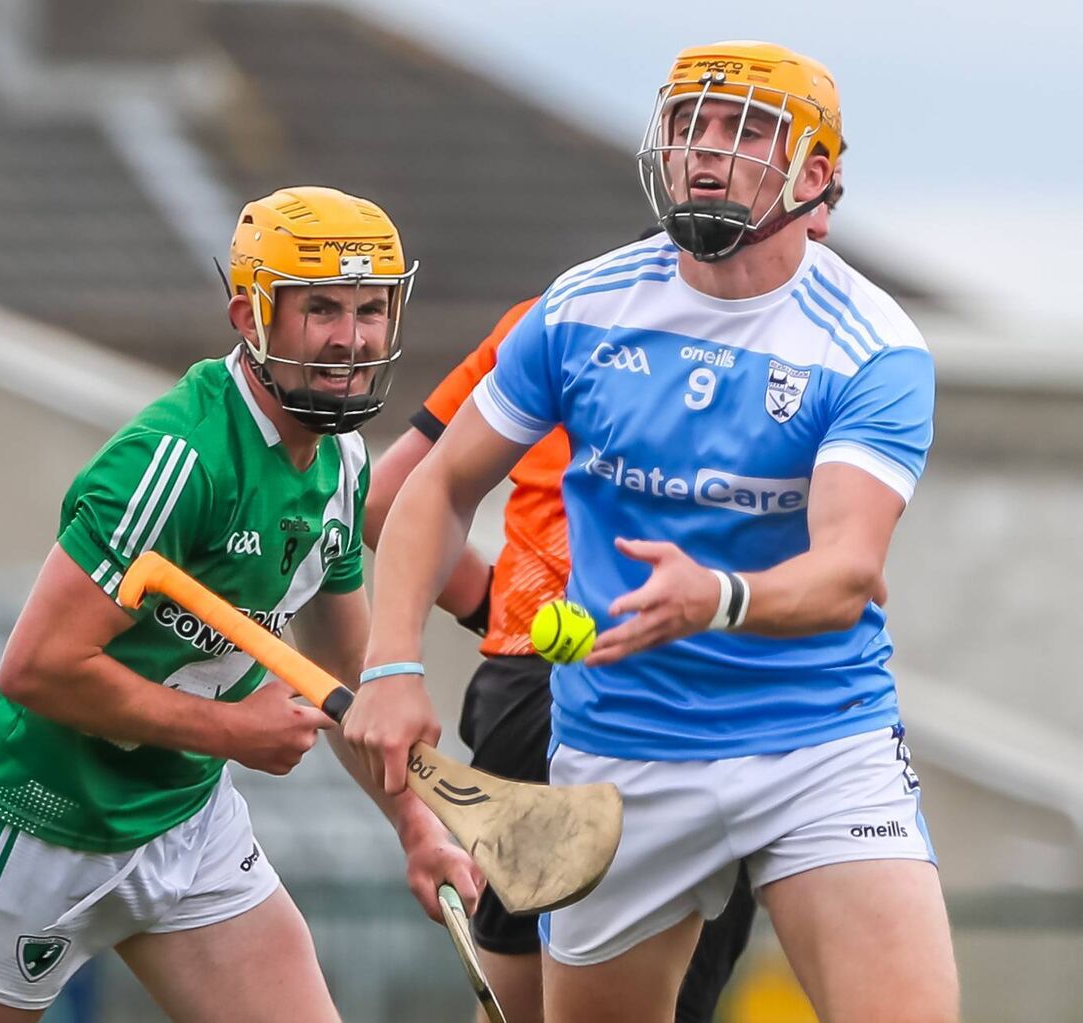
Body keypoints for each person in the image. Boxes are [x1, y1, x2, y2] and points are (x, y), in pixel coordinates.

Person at [346, 40, 957, 1023]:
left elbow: (847, 571)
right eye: (690, 125)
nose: (706, 151)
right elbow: (432, 489)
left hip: (818, 746)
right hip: (617, 759)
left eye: (745, 130)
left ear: (815, 176)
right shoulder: (581, 307)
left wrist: (716, 598)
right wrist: (391, 667)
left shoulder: (872, 347)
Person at [0, 186, 479, 1023]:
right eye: (321, 309)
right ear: (250, 315)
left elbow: (344, 678)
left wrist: (416, 826)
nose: (352, 338)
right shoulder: (179, 458)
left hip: (186, 825)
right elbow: (38, 668)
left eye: (370, 309)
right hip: (38, 822)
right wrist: (231, 731)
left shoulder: (342, 464)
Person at [363, 157, 849, 1023]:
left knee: (514, 998)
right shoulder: (792, 351)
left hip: (521, 691)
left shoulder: (548, 317)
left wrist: (498, 606)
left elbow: (388, 497)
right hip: (678, 699)